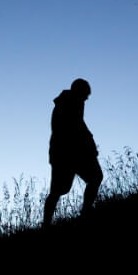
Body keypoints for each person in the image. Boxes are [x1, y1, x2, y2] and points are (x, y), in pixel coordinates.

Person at [43, 78, 103, 227]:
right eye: (85, 95)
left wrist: (89, 143)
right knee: (58, 190)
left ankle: (82, 214)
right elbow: (76, 128)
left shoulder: (69, 102)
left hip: (66, 153)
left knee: (93, 178)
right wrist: (89, 144)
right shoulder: (71, 102)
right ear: (79, 91)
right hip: (68, 154)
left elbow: (79, 126)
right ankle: (48, 223)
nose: (86, 99)